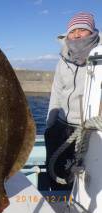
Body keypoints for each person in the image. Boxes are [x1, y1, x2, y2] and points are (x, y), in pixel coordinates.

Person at [45, 12, 102, 191]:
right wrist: (49, 125)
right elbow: (56, 92)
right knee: (56, 174)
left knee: (86, 180)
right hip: (61, 127)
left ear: (92, 32)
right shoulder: (62, 59)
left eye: (82, 30)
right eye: (73, 30)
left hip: (89, 129)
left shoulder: (99, 57)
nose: (76, 34)